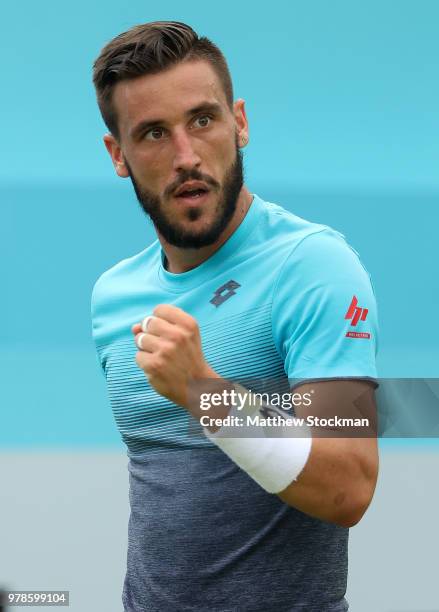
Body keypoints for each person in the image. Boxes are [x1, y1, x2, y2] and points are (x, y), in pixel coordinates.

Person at [91, 21, 379, 612]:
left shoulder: (313, 265)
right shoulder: (113, 294)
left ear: (239, 122)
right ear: (118, 155)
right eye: (152, 133)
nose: (186, 156)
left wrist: (205, 393)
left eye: (203, 120)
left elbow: (350, 485)